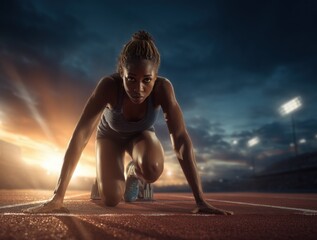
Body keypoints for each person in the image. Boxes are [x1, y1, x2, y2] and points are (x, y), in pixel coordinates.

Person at [24, 30, 233, 215]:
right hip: (109, 138)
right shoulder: (108, 86)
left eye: (147, 80)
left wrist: (201, 200)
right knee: (112, 199)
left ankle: (133, 172)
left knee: (152, 168)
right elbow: (80, 136)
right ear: (121, 73)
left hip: (140, 137)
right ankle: (104, 178)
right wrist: (57, 197)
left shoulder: (163, 90)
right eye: (131, 79)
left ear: (156, 77)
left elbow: (180, 140)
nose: (138, 89)